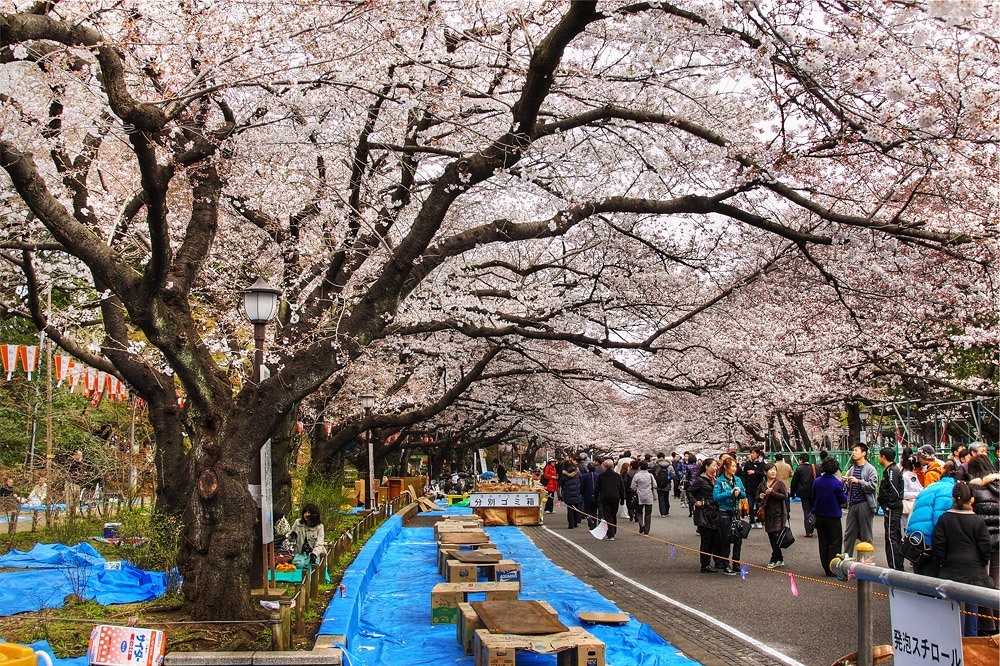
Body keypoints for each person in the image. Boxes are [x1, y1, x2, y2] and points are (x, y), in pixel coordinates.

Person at [931, 481, 991, 637]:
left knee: (951, 609)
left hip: (950, 570)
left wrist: (943, 562)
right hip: (974, 571)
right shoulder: (977, 520)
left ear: (953, 498)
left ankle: (952, 641)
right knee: (972, 609)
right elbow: (985, 547)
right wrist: (981, 563)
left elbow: (938, 545)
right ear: (971, 499)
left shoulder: (944, 519)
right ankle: (971, 643)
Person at [967, 455, 999, 635]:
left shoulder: (974, 489)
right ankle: (998, 623)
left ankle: (988, 626)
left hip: (982, 542)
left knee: (983, 583)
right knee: (997, 582)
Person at [812, 457, 849, 576]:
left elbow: (813, 495)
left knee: (823, 541)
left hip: (820, 514)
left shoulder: (817, 481)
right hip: (833, 515)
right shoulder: (836, 483)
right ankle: (833, 566)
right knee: (835, 542)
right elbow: (843, 499)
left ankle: (826, 567)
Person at [842, 443, 878, 556]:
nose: (853, 453)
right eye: (853, 450)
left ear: (864, 453)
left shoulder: (870, 469)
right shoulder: (852, 469)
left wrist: (859, 481)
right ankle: (847, 557)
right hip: (852, 504)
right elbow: (848, 488)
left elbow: (873, 486)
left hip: (865, 504)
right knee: (849, 534)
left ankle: (866, 559)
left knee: (866, 534)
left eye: (856, 450)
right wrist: (846, 482)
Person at [713, 456, 746, 575]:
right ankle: (726, 564)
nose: (734, 468)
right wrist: (729, 492)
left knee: (738, 538)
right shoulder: (720, 481)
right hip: (724, 512)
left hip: (736, 512)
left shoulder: (737, 479)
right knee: (726, 539)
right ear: (726, 467)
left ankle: (736, 563)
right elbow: (716, 497)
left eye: (735, 466)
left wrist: (739, 492)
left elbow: (743, 494)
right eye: (732, 466)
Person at [689, 458, 721, 573]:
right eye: (713, 465)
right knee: (706, 540)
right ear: (706, 467)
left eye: (716, 466)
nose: (715, 467)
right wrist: (695, 502)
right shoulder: (701, 480)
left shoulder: (716, 480)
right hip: (703, 512)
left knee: (714, 539)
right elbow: (690, 491)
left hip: (714, 512)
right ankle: (705, 564)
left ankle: (713, 561)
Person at [877, 447, 905, 571]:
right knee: (895, 535)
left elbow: (894, 491)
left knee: (891, 536)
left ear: (883, 457)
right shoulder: (892, 470)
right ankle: (897, 564)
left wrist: (888, 505)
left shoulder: (891, 471)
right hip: (893, 507)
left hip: (892, 508)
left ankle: (895, 565)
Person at [757, 464, 789, 568]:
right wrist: (760, 496)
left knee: (775, 535)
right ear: (765, 472)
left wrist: (773, 493)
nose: (773, 472)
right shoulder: (762, 484)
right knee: (771, 536)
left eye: (774, 470)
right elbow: (757, 497)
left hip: (778, 513)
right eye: (770, 470)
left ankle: (774, 558)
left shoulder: (779, 483)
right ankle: (779, 558)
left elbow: (785, 497)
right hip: (767, 514)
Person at [594, 459, 626, 540]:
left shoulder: (601, 476)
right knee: (613, 514)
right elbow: (622, 489)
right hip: (615, 497)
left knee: (607, 515)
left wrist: (595, 498)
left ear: (604, 466)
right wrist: (622, 499)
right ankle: (613, 531)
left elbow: (597, 488)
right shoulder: (618, 476)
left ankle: (610, 533)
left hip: (605, 497)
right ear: (612, 466)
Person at [789, 454, 816, 537]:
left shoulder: (799, 469)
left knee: (806, 510)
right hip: (814, 492)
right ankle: (813, 525)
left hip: (804, 493)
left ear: (800, 460)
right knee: (814, 510)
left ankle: (808, 531)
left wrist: (792, 493)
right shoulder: (813, 467)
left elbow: (794, 482)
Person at [741, 447, 766, 527]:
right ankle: (751, 521)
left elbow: (764, 474)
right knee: (751, 505)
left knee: (759, 505)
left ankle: (759, 520)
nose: (752, 455)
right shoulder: (747, 464)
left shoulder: (762, 464)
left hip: (759, 487)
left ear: (757, 454)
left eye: (754, 453)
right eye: (751, 453)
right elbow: (744, 475)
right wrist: (744, 485)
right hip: (750, 487)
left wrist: (755, 472)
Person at [631, 460, 656, 535]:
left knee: (639, 512)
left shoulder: (637, 475)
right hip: (648, 496)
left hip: (639, 496)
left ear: (640, 467)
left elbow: (633, 486)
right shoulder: (650, 475)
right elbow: (655, 485)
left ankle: (641, 524)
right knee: (648, 514)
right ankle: (646, 531)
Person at [900, 447, 922, 529]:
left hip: (920, 506)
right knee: (909, 529)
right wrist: (918, 494)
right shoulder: (905, 476)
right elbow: (903, 493)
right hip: (910, 507)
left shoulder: (922, 474)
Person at [559, 460, 584, 529]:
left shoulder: (564, 474)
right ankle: (576, 522)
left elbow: (561, 483)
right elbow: (581, 480)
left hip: (568, 493)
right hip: (577, 492)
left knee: (570, 508)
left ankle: (571, 524)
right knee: (576, 507)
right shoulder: (578, 473)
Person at [581, 462, 600, 529]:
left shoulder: (584, 476)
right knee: (594, 511)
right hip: (596, 495)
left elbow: (582, 487)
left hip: (587, 495)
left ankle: (590, 521)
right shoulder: (597, 476)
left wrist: (582, 493)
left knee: (587, 510)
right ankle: (594, 523)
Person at [653, 453, 673, 517]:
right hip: (667, 484)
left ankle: (662, 513)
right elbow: (673, 475)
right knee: (666, 497)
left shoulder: (656, 466)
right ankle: (667, 511)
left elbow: (653, 474)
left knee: (661, 498)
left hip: (659, 484)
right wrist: (668, 478)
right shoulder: (669, 466)